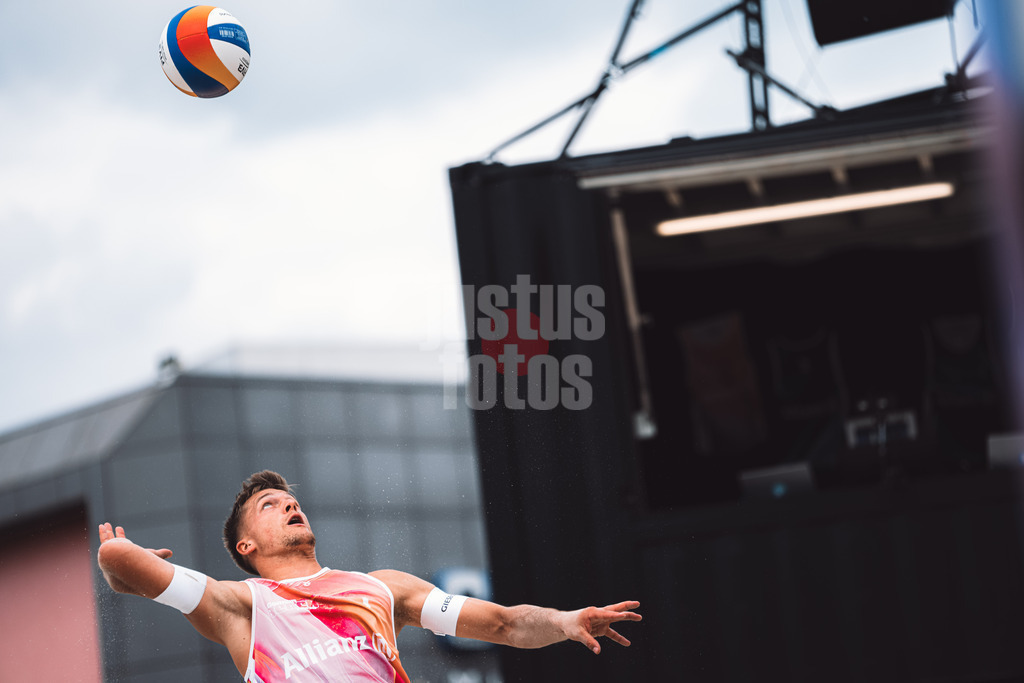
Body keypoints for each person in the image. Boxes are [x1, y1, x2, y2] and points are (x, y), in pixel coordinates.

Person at [97, 470, 641, 682]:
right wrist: (120, 558)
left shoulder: (383, 587)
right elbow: (120, 563)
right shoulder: (239, 604)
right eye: (270, 505)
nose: (290, 506)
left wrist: (566, 620)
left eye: (292, 500)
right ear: (246, 545)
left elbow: (503, 625)